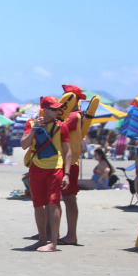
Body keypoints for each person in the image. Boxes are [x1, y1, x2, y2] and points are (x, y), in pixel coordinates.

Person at [20, 96, 72, 252]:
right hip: (36, 168)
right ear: (44, 110)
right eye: (54, 109)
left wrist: (67, 174)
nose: (58, 111)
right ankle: (42, 239)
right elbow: (24, 144)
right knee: (38, 205)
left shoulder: (61, 126)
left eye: (58, 109)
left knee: (54, 203)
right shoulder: (31, 123)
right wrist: (34, 129)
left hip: (55, 168)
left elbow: (68, 151)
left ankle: (53, 243)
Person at [59, 84, 86, 246]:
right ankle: (52, 230)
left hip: (70, 163)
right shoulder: (70, 115)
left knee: (69, 199)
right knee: (59, 198)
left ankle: (71, 235)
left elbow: (57, 129)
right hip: (64, 161)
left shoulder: (74, 116)